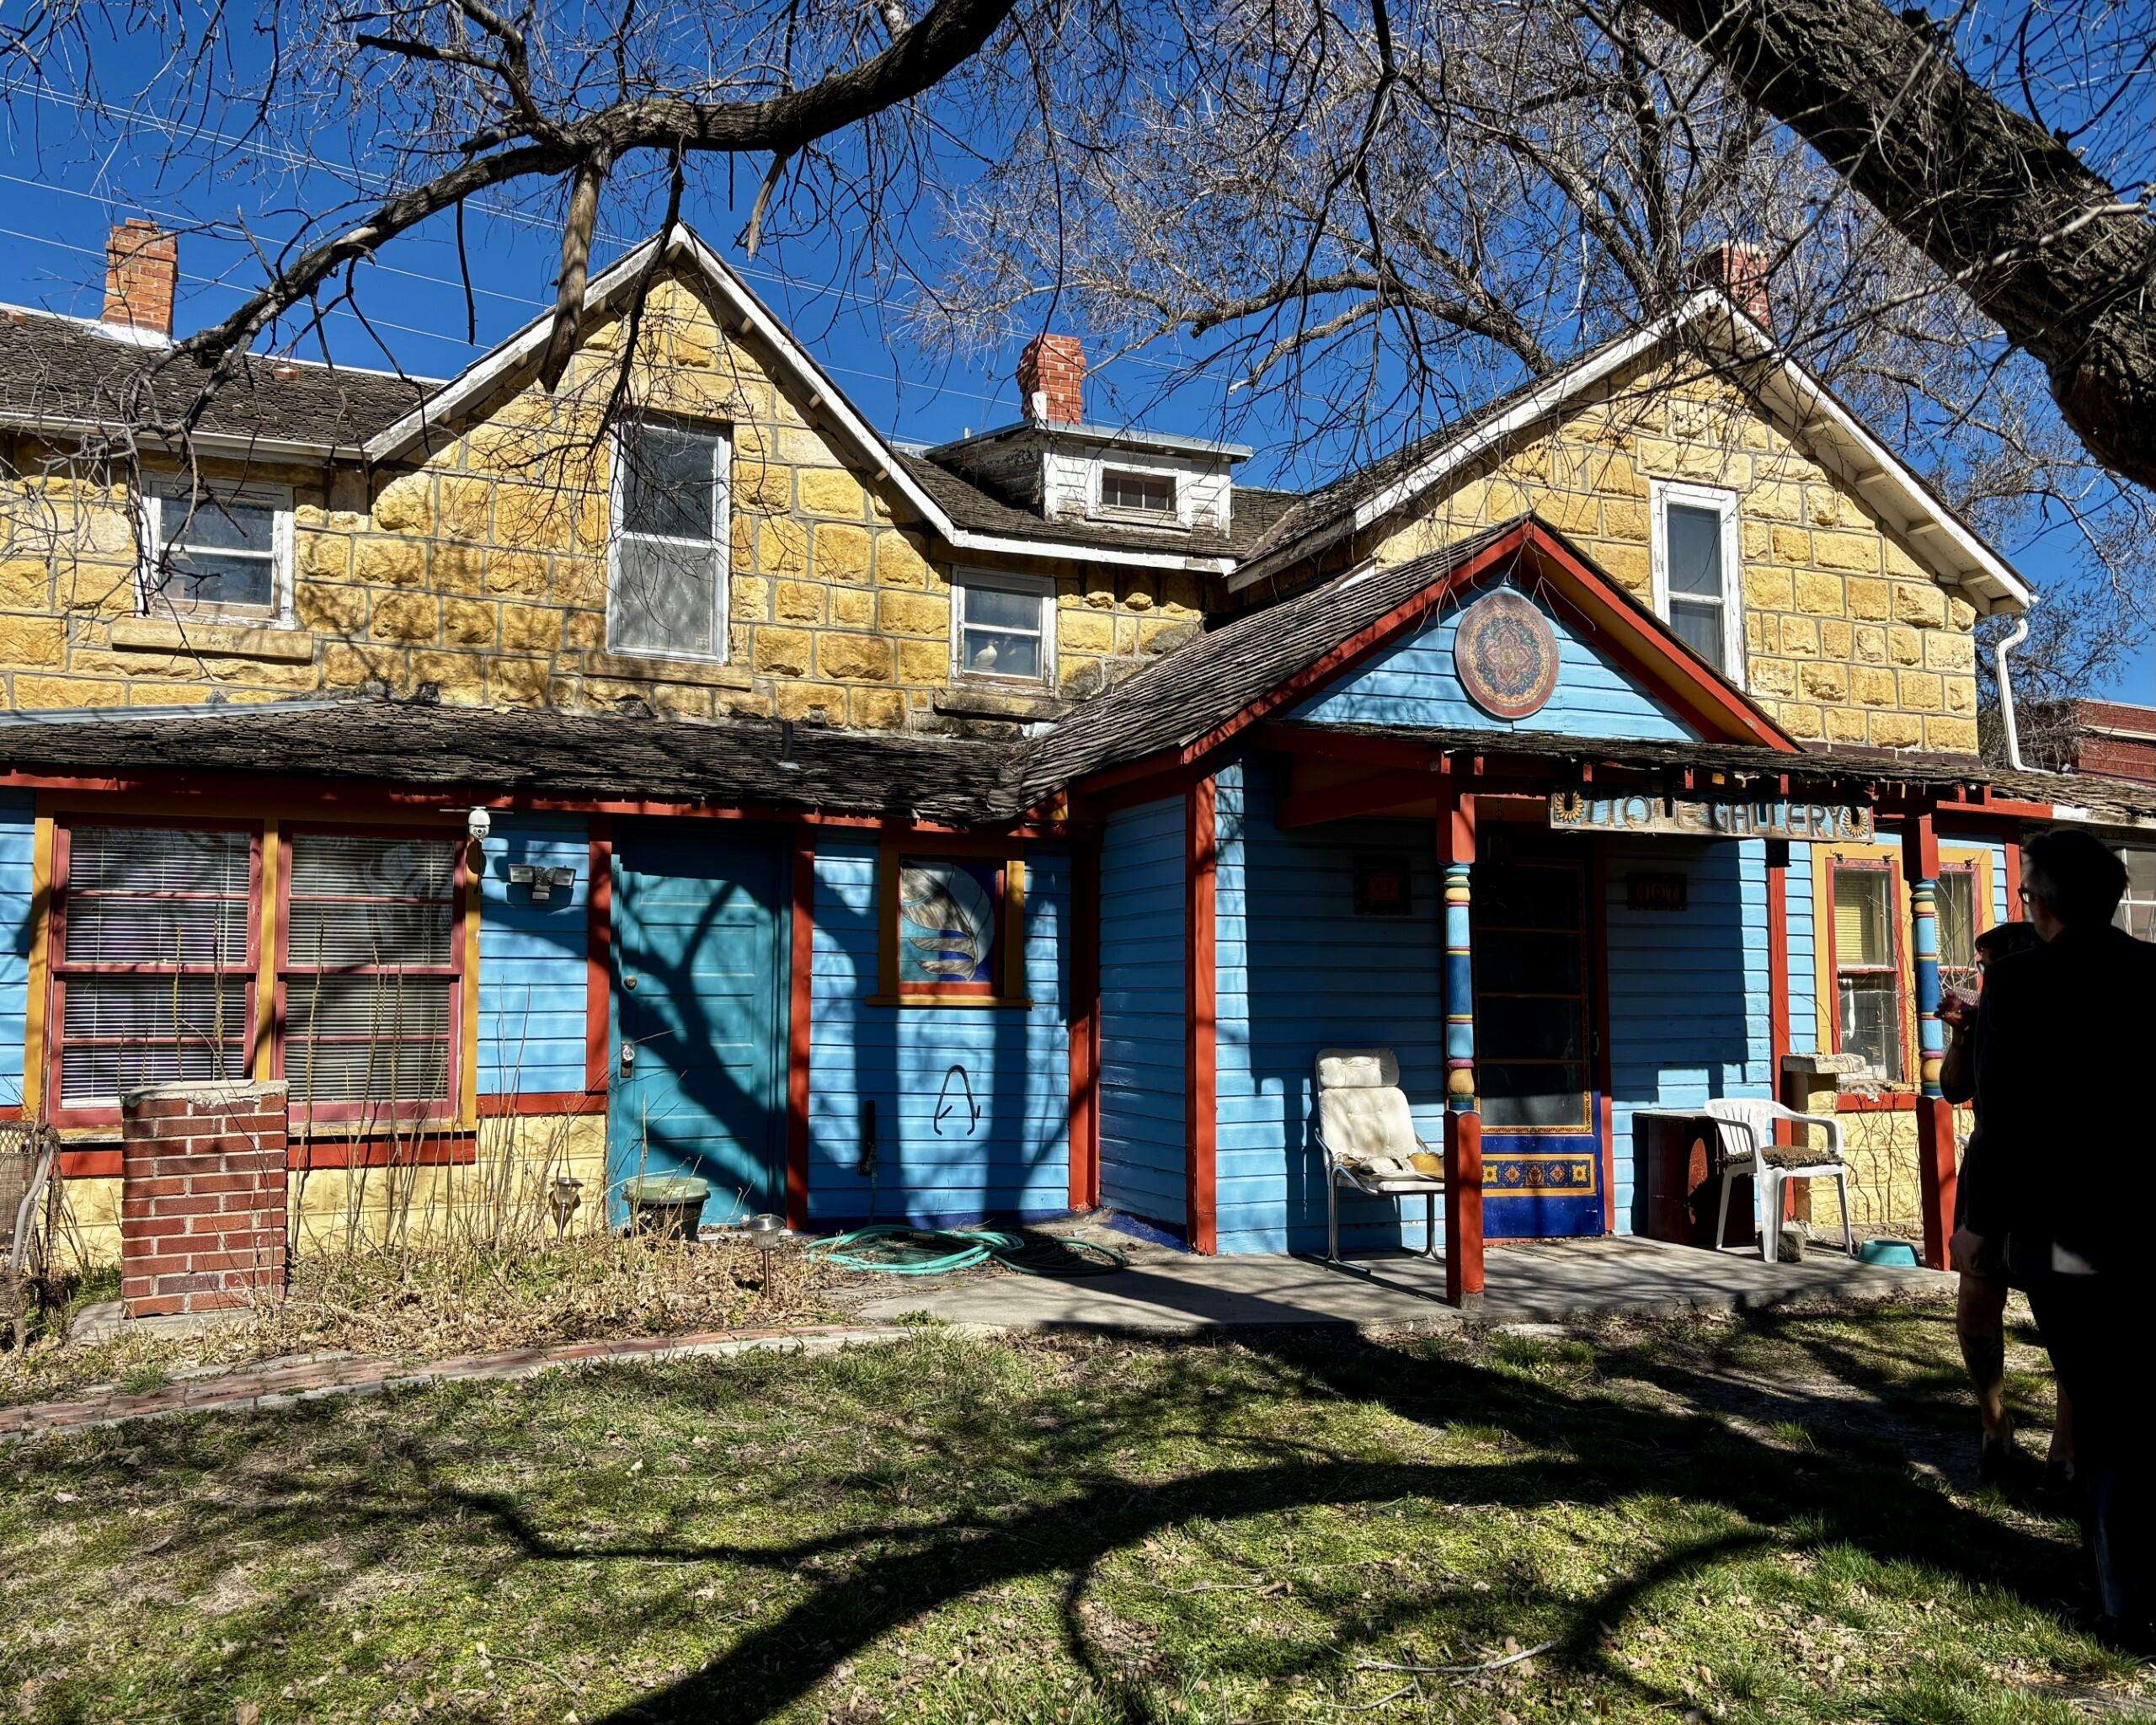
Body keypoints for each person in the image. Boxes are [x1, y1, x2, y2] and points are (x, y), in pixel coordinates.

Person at [1961, 827, 2156, 1649]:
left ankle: (2122, 1601)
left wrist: (1985, 1226)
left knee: (2105, 1414)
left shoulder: (2017, 984)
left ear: (2043, 901)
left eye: (2025, 886)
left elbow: (2000, 1116)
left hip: (2059, 1228)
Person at [1939, 919, 2055, 1490]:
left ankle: (2066, 1452)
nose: (1983, 979)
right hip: (1987, 1176)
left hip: (2058, 1185)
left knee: (2065, 1316)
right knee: (1976, 1304)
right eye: (1983, 970)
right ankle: (1994, 1424)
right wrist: (1962, 1034)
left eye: (1991, 968)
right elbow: (1954, 1090)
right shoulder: (1987, 1019)